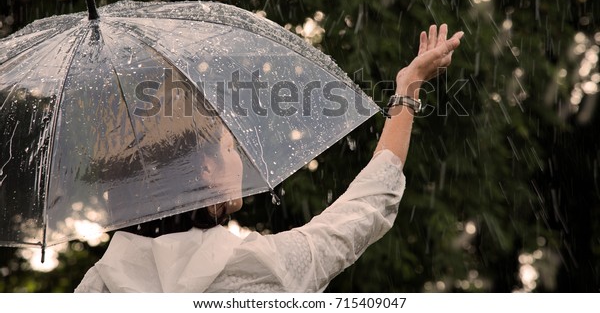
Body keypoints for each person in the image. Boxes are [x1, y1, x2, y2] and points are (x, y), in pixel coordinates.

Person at [74, 24, 464, 292]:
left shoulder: (97, 287)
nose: (240, 159)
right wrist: (407, 90)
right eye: (229, 148)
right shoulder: (248, 270)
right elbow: (362, 210)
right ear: (206, 170)